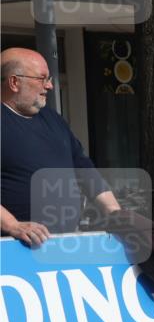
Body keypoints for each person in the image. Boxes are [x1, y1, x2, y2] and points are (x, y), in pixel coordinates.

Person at [1, 47, 120, 247]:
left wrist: (116, 214)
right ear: (14, 82)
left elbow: (84, 170)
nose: (49, 86)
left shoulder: (53, 119)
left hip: (62, 246)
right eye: (42, 78)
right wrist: (13, 225)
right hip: (12, 250)